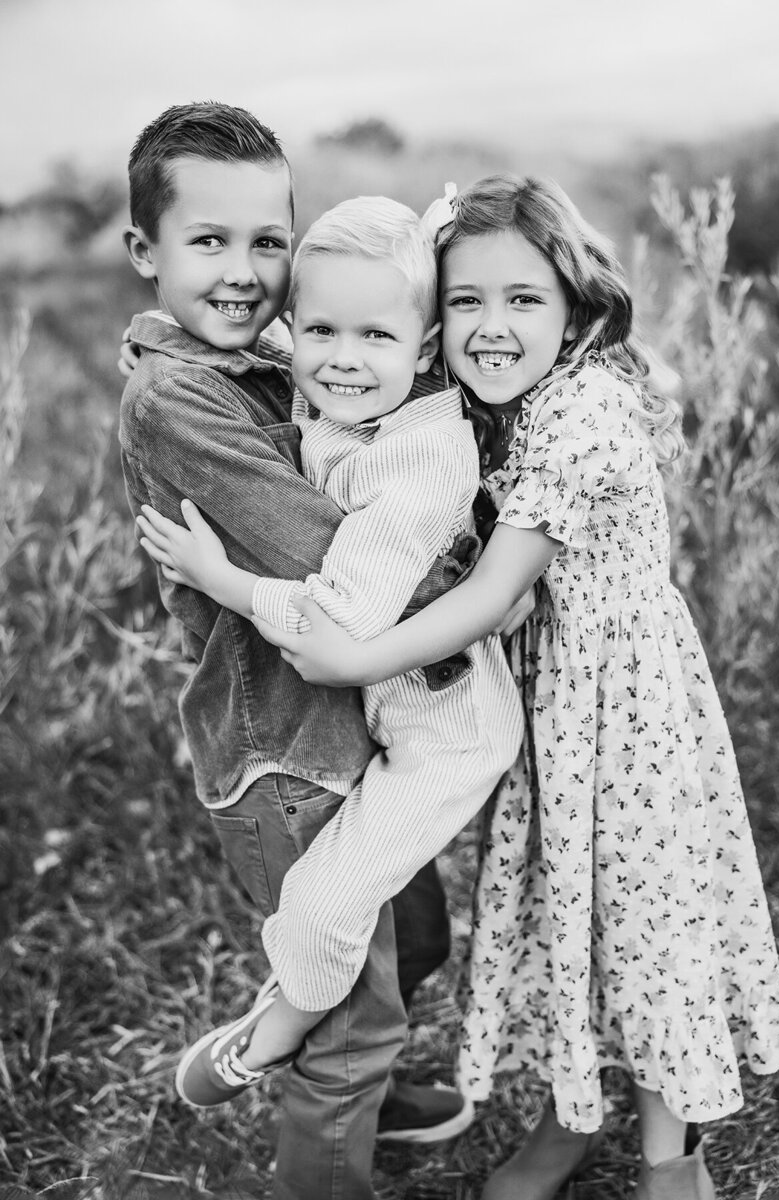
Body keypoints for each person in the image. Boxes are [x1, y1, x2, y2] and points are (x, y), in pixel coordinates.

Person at [250, 174, 779, 1200]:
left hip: (623, 710)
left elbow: (494, 588)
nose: (490, 327)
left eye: (521, 300)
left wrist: (352, 659)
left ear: (572, 305)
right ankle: (566, 1116)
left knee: (642, 924)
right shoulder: (498, 395)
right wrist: (262, 341)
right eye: (464, 302)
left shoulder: (580, 411)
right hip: (553, 704)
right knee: (568, 915)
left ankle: (669, 1166)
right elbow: (353, 349)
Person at [117, 101, 476, 1200]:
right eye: (206, 242)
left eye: (265, 241)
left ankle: (359, 1084)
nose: (240, 271)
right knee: (349, 997)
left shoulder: (277, 348)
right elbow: (346, 560)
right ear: (145, 253)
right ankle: (334, 1101)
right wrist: (485, 579)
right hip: (285, 750)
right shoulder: (177, 398)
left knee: (406, 928)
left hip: (349, 723)